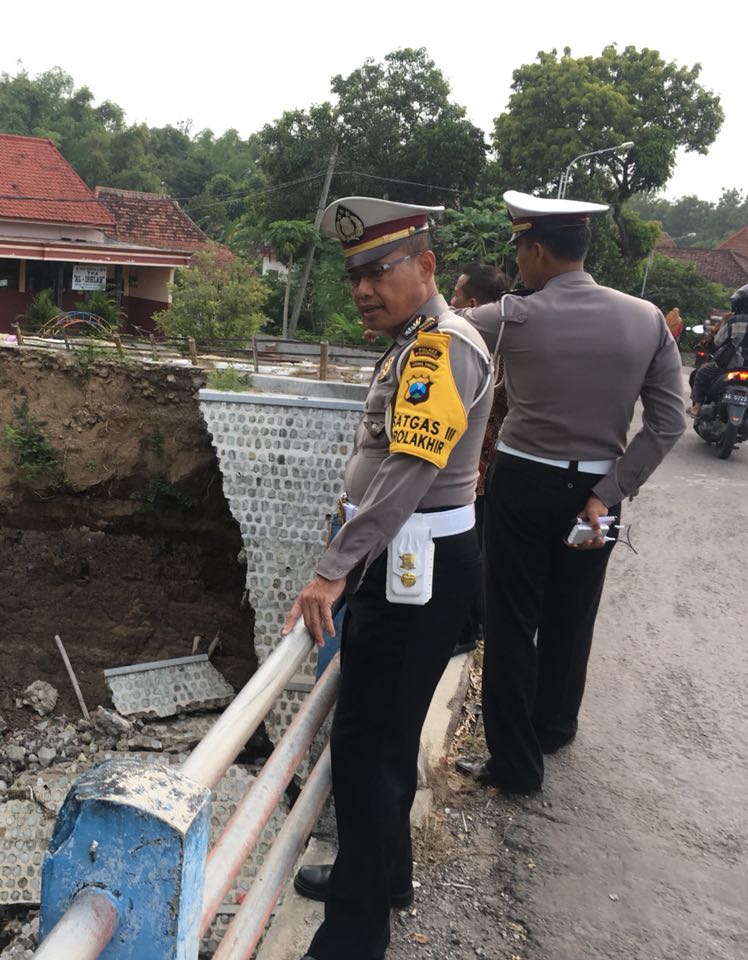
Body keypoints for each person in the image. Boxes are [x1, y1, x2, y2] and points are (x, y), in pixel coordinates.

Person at [282, 197, 493, 960]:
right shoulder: (415, 342)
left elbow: (406, 471)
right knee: (385, 738)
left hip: (413, 569)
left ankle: (352, 938)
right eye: (354, 277)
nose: (364, 288)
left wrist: (333, 570)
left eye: (380, 269)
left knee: (368, 748)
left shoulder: (441, 346)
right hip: (407, 564)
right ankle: (381, 878)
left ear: (426, 266)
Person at [453, 191, 685, 795]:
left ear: (534, 250)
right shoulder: (647, 318)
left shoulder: (513, 315)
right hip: (599, 494)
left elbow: (439, 331)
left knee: (511, 621)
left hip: (524, 482)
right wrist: (609, 493)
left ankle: (514, 765)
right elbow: (667, 423)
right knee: (573, 615)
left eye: (520, 250)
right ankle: (554, 727)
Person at [450, 264, 511, 655]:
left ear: (472, 303)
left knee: (471, 551)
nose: (450, 299)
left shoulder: (473, 345)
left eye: (456, 293)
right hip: (492, 465)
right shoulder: (512, 338)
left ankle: (467, 628)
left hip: (479, 468)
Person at [688, 283, 748, 416]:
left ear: (745, 303)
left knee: (701, 373)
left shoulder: (734, 320)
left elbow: (717, 341)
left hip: (729, 368)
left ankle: (697, 408)